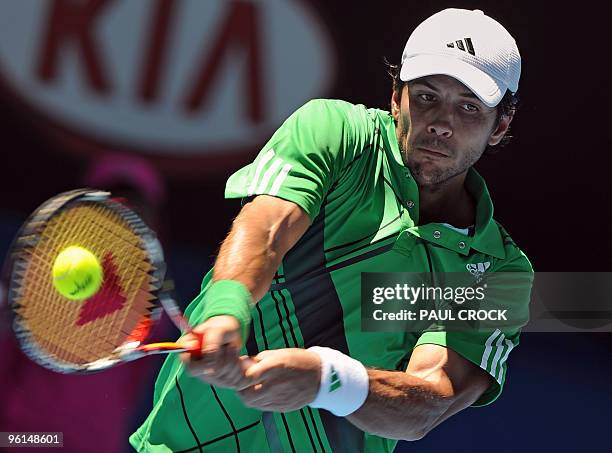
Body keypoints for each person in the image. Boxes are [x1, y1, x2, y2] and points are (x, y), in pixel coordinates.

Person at [130, 8, 533, 452]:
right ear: (395, 96)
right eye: (426, 96)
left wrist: (327, 380)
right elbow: (267, 227)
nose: (441, 122)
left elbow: (429, 401)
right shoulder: (337, 133)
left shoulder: (498, 272)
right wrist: (228, 308)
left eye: (469, 107)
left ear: (502, 125)